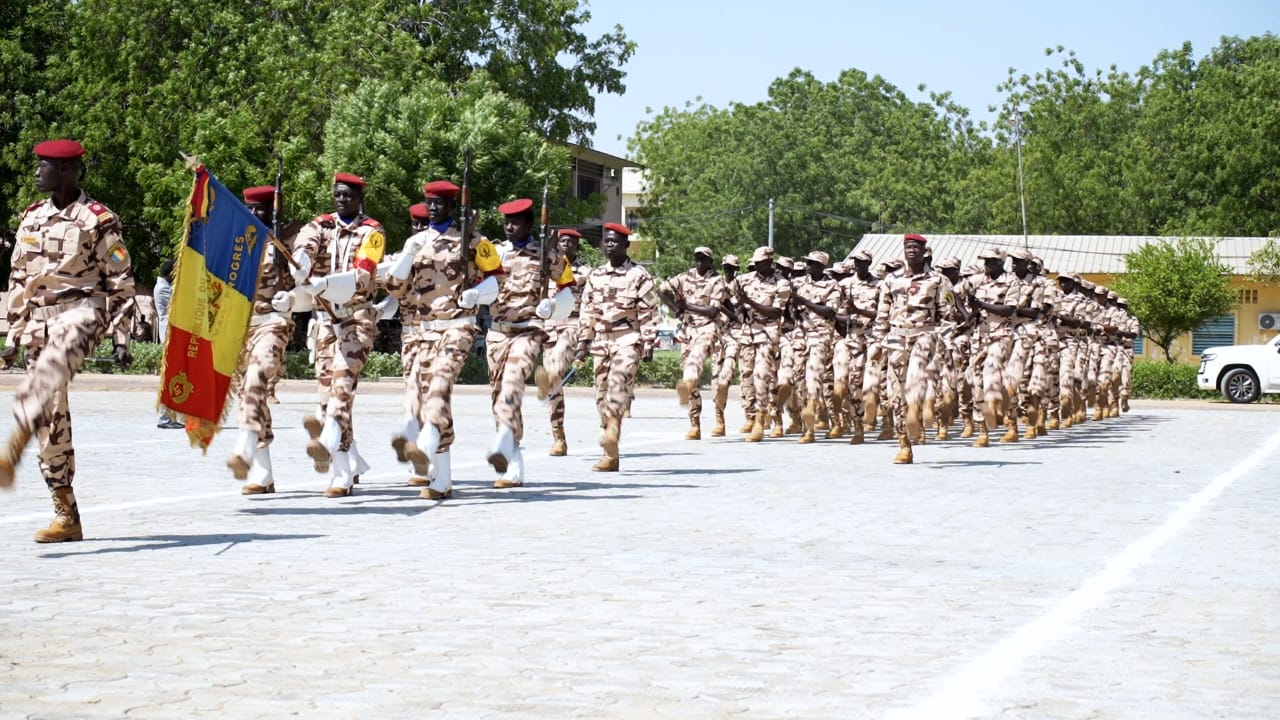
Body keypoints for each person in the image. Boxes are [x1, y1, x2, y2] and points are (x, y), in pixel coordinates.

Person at [0, 139, 136, 542]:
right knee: (52, 416)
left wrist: (122, 337)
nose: (37, 173)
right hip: (40, 324)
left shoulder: (99, 220)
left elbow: (121, 283)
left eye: (44, 167)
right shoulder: (32, 218)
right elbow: (20, 281)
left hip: (82, 314)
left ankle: (15, 438)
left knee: (46, 379)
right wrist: (12, 333)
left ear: (68, 171)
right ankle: (66, 512)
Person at [384, 180, 499, 499]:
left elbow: (497, 280)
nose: (433, 207)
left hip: (457, 325)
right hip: (422, 330)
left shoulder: (474, 241)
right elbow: (394, 287)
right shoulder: (416, 240)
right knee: (426, 400)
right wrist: (408, 253)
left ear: (452, 206)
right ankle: (442, 479)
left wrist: (476, 293)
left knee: (439, 387)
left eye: (440, 202)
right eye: (429, 202)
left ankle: (423, 447)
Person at [290, 172, 386, 497]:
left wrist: (326, 284)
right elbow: (305, 244)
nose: (341, 199)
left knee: (342, 391)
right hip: (324, 322)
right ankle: (346, 469)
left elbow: (363, 275)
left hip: (356, 319)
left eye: (348, 195)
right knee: (326, 398)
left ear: (359, 199)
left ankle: (331, 451)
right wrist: (301, 263)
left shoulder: (372, 232)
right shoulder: (322, 225)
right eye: (338, 194)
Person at [481, 198, 573, 488]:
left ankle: (506, 452)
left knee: (511, 385)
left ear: (529, 224)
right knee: (499, 398)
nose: (510, 227)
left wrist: (553, 305)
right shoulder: (493, 253)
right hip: (497, 333)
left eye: (517, 222)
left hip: (528, 331)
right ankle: (513, 456)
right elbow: (475, 282)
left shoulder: (547, 254)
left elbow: (569, 289)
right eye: (507, 222)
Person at [225, 185, 298, 494]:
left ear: (273, 211)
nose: (255, 215)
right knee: (250, 395)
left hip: (274, 323)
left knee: (255, 381)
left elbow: (307, 281)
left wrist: (291, 296)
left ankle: (244, 446)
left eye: (262, 210)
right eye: (250, 210)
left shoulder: (289, 240)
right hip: (242, 327)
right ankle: (263, 472)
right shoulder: (238, 241)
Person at [574, 223, 658, 471]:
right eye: (606, 241)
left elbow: (650, 310)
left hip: (627, 340)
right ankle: (610, 452)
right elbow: (587, 312)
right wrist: (582, 343)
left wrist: (649, 342)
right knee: (601, 396)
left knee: (618, 387)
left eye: (614, 241)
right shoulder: (596, 275)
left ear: (626, 245)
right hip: (601, 341)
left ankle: (611, 437)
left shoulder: (639, 276)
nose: (609, 245)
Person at [871, 234, 953, 464]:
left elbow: (948, 316)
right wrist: (878, 344)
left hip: (925, 335)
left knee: (916, 378)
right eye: (908, 247)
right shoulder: (891, 280)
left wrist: (944, 343)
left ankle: (917, 409)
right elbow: (882, 315)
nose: (911, 250)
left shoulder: (938, 280)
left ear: (924, 251)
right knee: (895, 394)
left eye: (916, 247)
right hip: (897, 337)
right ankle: (904, 445)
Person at [658, 246, 727, 440]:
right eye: (696, 258)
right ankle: (694, 423)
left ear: (710, 261)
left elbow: (713, 311)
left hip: (708, 329)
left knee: (693, 366)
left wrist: (686, 306)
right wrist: (675, 309)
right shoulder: (684, 277)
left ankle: (718, 418)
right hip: (687, 330)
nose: (699, 262)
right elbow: (662, 290)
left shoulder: (716, 281)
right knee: (690, 380)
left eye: (703, 259)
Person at [536, 229, 593, 456]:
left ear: (577, 246)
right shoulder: (545, 269)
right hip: (549, 326)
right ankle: (558, 436)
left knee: (555, 368)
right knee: (553, 383)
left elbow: (572, 284)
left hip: (572, 324)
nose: (566, 243)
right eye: (562, 240)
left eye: (570, 241)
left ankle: (550, 374)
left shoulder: (585, 271)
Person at [729, 247, 791, 442]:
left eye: (760, 263)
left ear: (769, 262)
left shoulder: (782, 283)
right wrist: (739, 310)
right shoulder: (744, 280)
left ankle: (760, 420)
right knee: (748, 378)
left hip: (767, 334)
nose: (756, 265)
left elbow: (775, 313)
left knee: (761, 376)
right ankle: (765, 416)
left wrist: (749, 302)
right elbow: (729, 300)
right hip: (747, 334)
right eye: (754, 263)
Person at [790, 250, 841, 443]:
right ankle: (806, 423)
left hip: (820, 336)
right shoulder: (798, 283)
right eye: (807, 263)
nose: (808, 266)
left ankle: (811, 429)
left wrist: (805, 302)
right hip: (800, 335)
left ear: (822, 266)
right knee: (799, 381)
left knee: (813, 379)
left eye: (812, 263)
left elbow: (830, 312)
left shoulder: (832, 286)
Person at [153, 258, 183, 429]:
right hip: (170, 334)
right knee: (170, 377)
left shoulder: (166, 287)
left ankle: (173, 416)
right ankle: (165, 418)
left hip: (173, 334)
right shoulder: (164, 289)